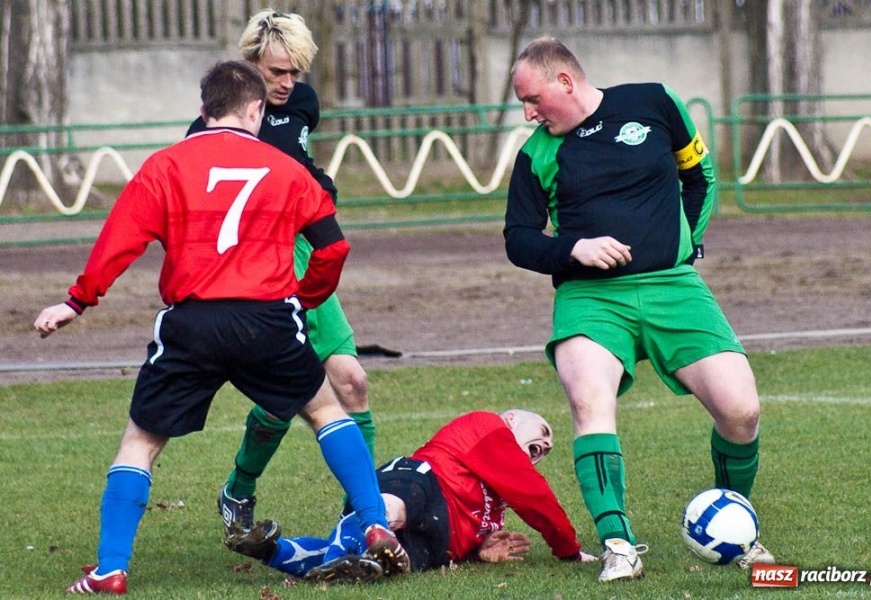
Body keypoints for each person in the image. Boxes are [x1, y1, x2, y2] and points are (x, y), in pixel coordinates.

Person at [35, 60, 408, 595]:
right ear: (257, 110)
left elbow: (121, 238)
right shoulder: (286, 169)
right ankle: (372, 520)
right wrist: (306, 297)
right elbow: (333, 245)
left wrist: (78, 301)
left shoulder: (166, 164)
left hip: (193, 322)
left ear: (202, 110)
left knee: (140, 442)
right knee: (326, 409)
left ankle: (111, 569)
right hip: (268, 317)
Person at [503, 37, 775, 582]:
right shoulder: (538, 154)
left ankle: (734, 527)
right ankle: (618, 545)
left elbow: (700, 177)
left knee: (741, 411)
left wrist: (685, 246)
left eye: (532, 99)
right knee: (588, 400)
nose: (529, 113)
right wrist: (571, 250)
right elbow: (517, 240)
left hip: (674, 287)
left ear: (565, 82)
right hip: (591, 298)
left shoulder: (653, 103)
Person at [186, 9, 377, 538]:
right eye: (277, 72)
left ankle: (363, 519)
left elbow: (296, 160)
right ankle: (238, 489)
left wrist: (319, 185)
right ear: (249, 66)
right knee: (284, 395)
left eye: (295, 71)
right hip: (253, 265)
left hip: (301, 253)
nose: (289, 83)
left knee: (353, 382)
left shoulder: (302, 104)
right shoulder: (213, 124)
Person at [227, 409, 597, 584]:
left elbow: (475, 522)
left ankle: (271, 550)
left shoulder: (496, 497)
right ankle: (338, 561)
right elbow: (535, 497)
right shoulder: (489, 427)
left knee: (389, 562)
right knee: (393, 510)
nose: (547, 443)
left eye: (550, 446)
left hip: (436, 543)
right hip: (422, 482)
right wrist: (569, 548)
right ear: (512, 418)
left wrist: (480, 550)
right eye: (544, 431)